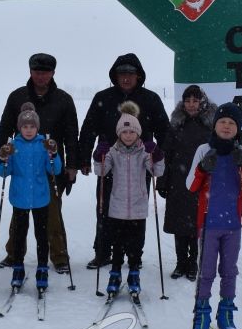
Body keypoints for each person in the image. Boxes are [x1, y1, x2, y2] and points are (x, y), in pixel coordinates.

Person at [79, 53, 169, 268]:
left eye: (130, 74)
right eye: (121, 74)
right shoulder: (103, 97)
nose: (126, 78)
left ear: (138, 76)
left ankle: (134, 254)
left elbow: (165, 132)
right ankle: (103, 252)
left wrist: (160, 156)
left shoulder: (151, 99)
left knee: (135, 209)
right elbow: (89, 129)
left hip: (140, 163)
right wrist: (84, 157)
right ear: (115, 76)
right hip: (109, 160)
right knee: (105, 208)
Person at [0, 53, 79, 275]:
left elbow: (72, 134)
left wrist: (72, 165)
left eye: (45, 72)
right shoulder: (17, 97)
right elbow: (4, 129)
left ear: (52, 73)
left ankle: (59, 256)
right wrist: (2, 155)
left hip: (51, 165)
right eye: (36, 71)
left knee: (52, 214)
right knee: (20, 213)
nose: (40, 76)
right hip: (23, 164)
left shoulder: (63, 99)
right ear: (30, 71)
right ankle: (14, 253)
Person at [185, 103, 242, 329]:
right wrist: (202, 169)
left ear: (238, 129)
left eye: (232, 123)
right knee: (206, 273)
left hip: (233, 225)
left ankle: (226, 313)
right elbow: (190, 186)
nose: (226, 126)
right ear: (214, 125)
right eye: (222, 122)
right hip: (208, 223)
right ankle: (202, 316)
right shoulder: (204, 149)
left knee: (229, 271)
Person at [92, 102, 165, 296]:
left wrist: (156, 154)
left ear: (138, 133)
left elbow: (157, 171)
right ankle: (115, 273)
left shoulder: (143, 152)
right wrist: (99, 155)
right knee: (117, 243)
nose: (128, 136)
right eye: (124, 133)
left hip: (138, 207)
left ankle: (133, 273)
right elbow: (100, 171)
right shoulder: (113, 152)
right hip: (117, 206)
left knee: (135, 244)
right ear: (118, 134)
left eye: (132, 132)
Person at [0, 103, 62, 292]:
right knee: (19, 236)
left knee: (42, 236)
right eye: (25, 127)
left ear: (37, 127)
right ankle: (18, 268)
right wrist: (3, 158)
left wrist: (54, 154)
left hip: (41, 197)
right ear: (19, 128)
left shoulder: (43, 144)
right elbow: (3, 173)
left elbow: (55, 169)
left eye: (32, 126)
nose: (28, 130)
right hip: (20, 198)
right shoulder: (13, 145)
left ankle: (42, 268)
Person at [156, 85, 216, 281]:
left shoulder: (210, 125)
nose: (191, 105)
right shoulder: (175, 124)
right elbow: (166, 153)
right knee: (178, 225)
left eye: (195, 101)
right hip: (177, 181)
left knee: (194, 225)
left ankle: (193, 263)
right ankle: (180, 262)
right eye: (187, 101)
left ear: (202, 102)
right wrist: (162, 182)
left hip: (200, 181)